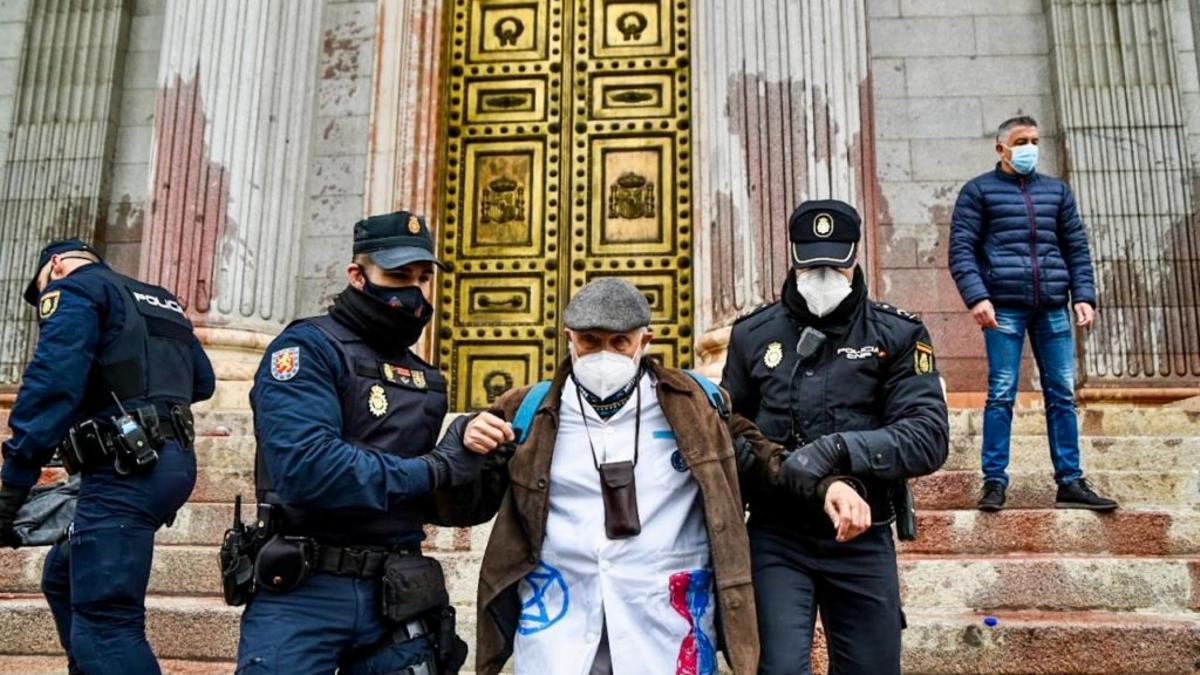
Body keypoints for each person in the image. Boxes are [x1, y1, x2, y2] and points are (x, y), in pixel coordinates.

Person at [429, 277, 872, 675]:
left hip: (666, 624)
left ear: (646, 341)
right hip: (560, 623)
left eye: (620, 341)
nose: (604, 354)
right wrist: (461, 444)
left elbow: (765, 460)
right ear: (568, 340)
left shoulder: (697, 404)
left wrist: (825, 485)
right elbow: (464, 506)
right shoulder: (527, 409)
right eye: (589, 341)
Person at [234, 211, 503, 674]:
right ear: (357, 276)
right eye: (397, 275)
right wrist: (437, 467)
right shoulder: (307, 349)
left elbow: (434, 503)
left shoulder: (424, 376)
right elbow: (309, 468)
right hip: (305, 589)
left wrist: (481, 460)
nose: (412, 292)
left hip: (397, 592)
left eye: (422, 278)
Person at [722, 199, 950, 675]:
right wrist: (788, 473)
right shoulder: (753, 334)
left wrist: (838, 449)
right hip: (777, 532)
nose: (823, 274)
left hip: (862, 535)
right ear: (794, 258)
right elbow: (731, 430)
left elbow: (928, 435)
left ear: (854, 257)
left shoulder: (898, 333)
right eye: (812, 262)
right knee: (777, 667)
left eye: (835, 262)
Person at [0, 240, 214, 674]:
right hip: (171, 463)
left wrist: (13, 483)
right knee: (62, 576)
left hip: (126, 470)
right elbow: (203, 382)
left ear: (56, 266)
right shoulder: (160, 300)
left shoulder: (76, 290)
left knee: (105, 624)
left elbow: (52, 385)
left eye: (41, 290)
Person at [949, 115, 1118, 512]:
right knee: (1002, 393)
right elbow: (961, 250)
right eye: (1021, 141)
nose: (1030, 148)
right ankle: (994, 481)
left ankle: (1071, 481)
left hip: (1053, 307)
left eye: (1034, 140)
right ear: (1001, 149)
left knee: (1061, 393)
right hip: (1003, 306)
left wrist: (1085, 295)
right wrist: (977, 297)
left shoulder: (1056, 192)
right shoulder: (978, 192)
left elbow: (1076, 246)